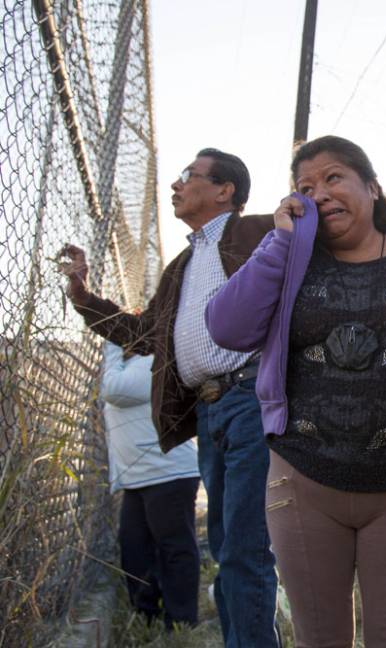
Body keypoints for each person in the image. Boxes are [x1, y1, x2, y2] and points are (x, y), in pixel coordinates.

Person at [205, 135, 386, 648]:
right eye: (305, 186)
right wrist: (281, 241)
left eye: (333, 177)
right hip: (304, 480)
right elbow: (227, 327)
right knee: (318, 639)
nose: (318, 193)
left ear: (371, 187)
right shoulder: (289, 260)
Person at [59, 148, 279, 647]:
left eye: (188, 176)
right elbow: (141, 334)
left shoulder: (260, 232)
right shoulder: (182, 266)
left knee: (244, 550)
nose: (176, 185)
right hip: (210, 411)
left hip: (250, 399)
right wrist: (83, 295)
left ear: (225, 190)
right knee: (226, 546)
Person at [101, 341, 200, 629]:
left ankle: (181, 623)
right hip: (139, 478)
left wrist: (109, 346)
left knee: (174, 547)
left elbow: (113, 390)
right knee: (134, 549)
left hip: (168, 474)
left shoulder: (155, 362)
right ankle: (146, 618)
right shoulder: (128, 365)